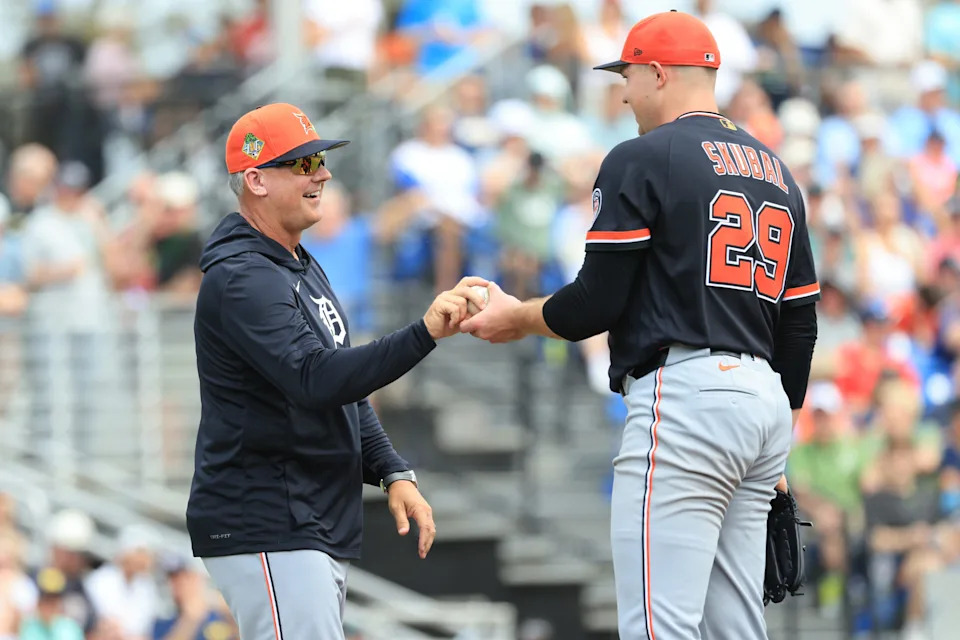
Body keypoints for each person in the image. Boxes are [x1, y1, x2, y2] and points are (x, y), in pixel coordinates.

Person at [462, 11, 819, 639]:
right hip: (764, 405)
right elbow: (801, 326)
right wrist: (777, 433)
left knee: (659, 624)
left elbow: (594, 306)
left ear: (658, 72)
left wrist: (516, 316)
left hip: (688, 396)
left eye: (628, 76)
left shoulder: (643, 157)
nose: (623, 92)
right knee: (735, 627)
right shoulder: (778, 172)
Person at [186, 102, 487, 640]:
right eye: (302, 164)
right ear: (255, 178)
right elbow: (317, 378)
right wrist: (424, 334)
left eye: (320, 160)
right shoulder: (243, 277)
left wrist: (391, 468)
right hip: (268, 516)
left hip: (304, 517)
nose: (322, 173)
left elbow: (340, 388)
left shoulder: (294, 261)